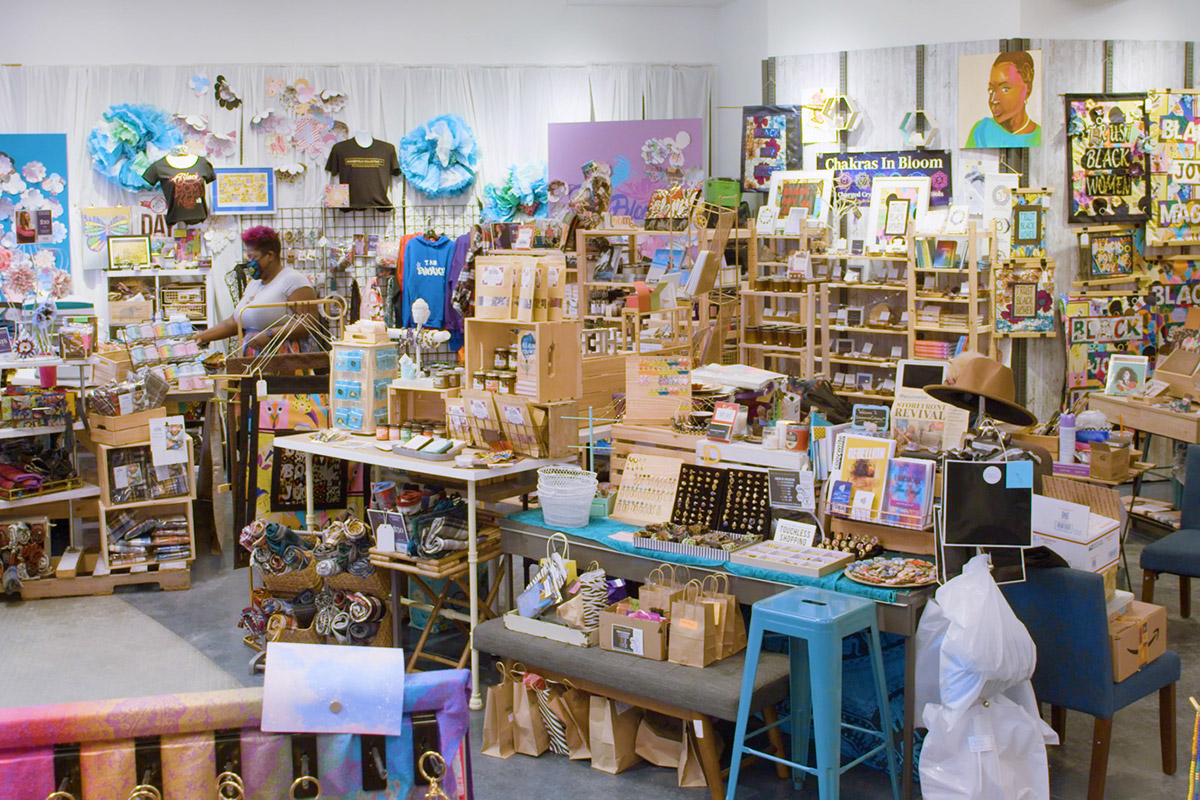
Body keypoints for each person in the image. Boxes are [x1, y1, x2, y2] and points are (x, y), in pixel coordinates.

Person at [194, 226, 318, 355]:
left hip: (284, 362)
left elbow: (309, 323)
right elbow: (234, 322)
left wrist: (271, 334)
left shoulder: (293, 281)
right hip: (255, 361)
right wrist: (199, 337)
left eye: (253, 258)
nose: (250, 264)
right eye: (248, 258)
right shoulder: (254, 284)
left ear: (270, 255)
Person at [965, 51, 1041, 148]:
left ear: (1027, 88)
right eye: (991, 90)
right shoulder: (981, 131)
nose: (993, 100)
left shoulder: (1039, 136)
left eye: (1005, 89)